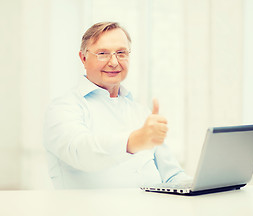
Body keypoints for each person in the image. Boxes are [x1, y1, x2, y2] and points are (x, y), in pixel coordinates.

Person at [43, 22, 189, 189]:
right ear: (83, 58)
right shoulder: (63, 108)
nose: (113, 62)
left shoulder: (140, 112)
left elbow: (172, 175)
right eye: (102, 53)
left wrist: (207, 184)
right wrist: (133, 141)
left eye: (121, 53)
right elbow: (80, 152)